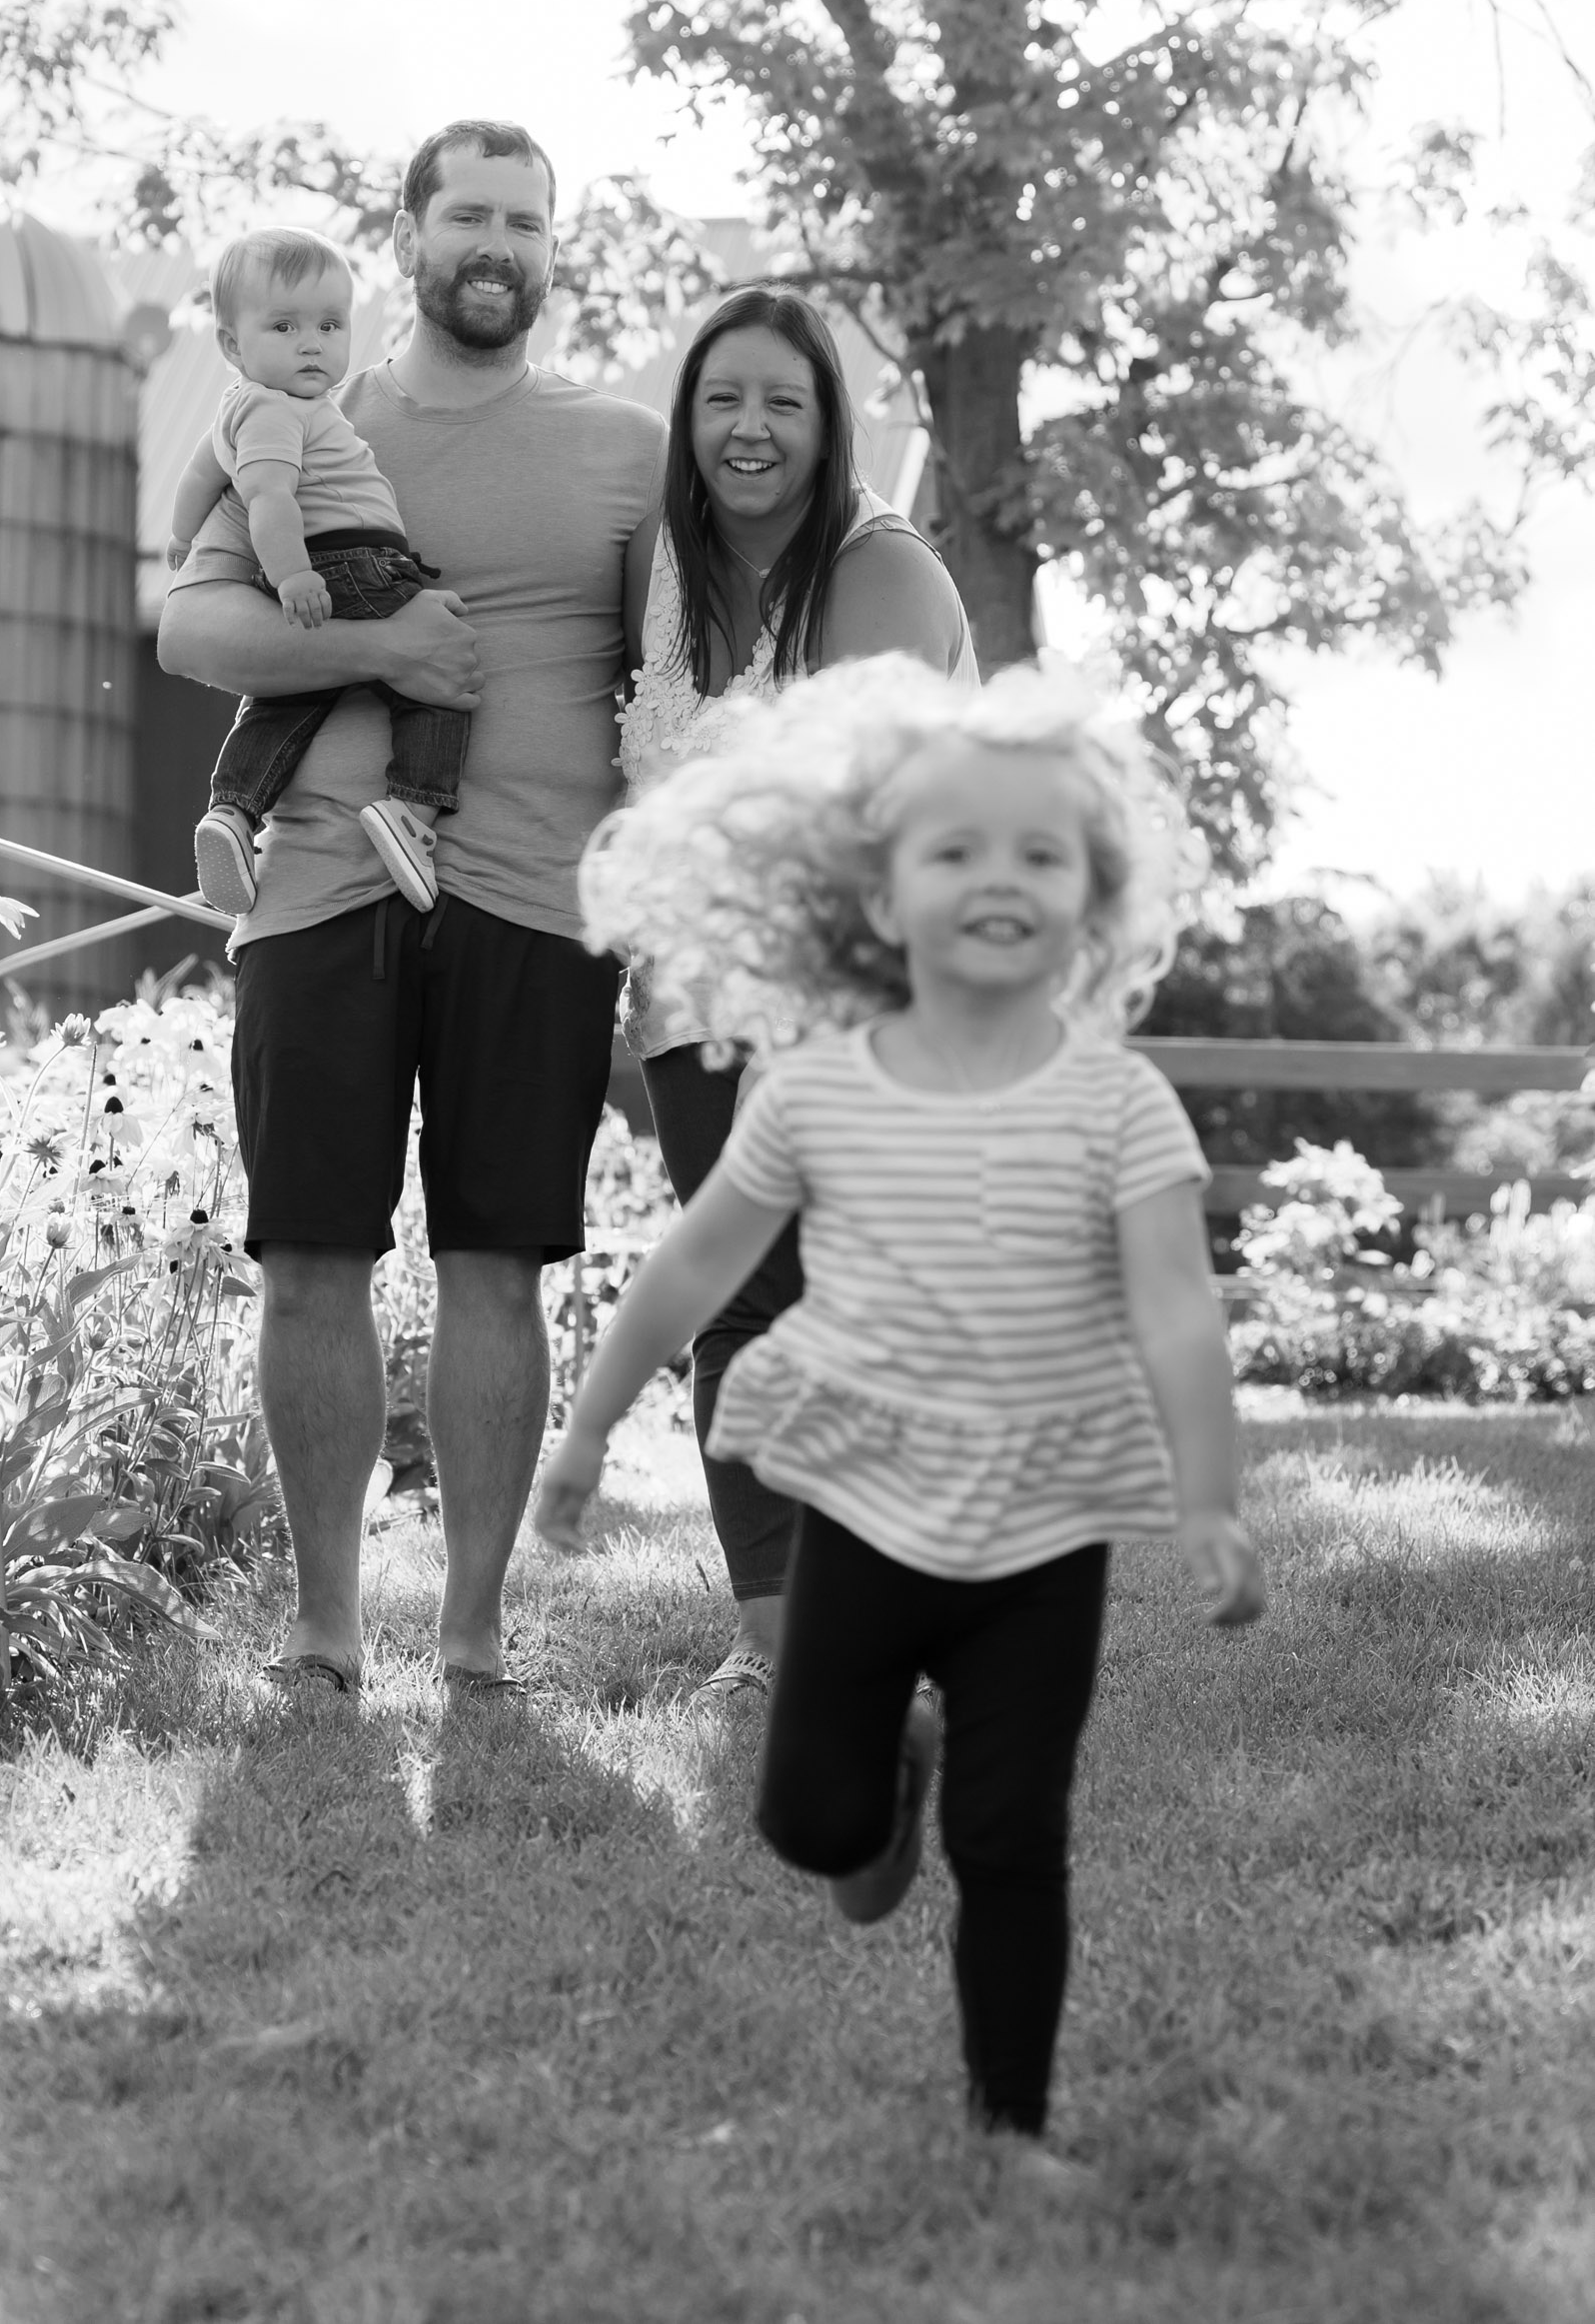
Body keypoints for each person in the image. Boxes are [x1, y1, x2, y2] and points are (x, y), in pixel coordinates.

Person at [535, 654, 1265, 2148]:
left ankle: (1009, 2130)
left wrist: (1205, 1499)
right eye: (955, 850)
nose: (999, 878)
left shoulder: (1114, 1100)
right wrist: (590, 1426)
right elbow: (693, 1267)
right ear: (879, 898)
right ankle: (890, 1765)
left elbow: (1175, 1309)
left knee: (1012, 1840)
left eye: (1039, 853)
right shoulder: (816, 1089)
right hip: (860, 1526)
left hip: (1041, 1541)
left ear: (1091, 894)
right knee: (812, 1822)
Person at [157, 120, 668, 1695]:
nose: (497, 245)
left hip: (533, 901)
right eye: (469, 217)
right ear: (411, 233)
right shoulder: (296, 403)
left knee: (495, 1263)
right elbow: (190, 624)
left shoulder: (623, 448)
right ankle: (323, 1626)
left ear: (550, 245)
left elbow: (688, 667)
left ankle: (469, 1625)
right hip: (317, 892)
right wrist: (382, 656)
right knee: (310, 1254)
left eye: (526, 218)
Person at [620, 285, 976, 1702]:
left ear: (827, 426)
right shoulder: (661, 575)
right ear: (687, 423)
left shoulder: (878, 575)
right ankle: (772, 1640)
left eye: (781, 400)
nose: (748, 428)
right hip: (690, 1005)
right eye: (722, 400)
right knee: (742, 1308)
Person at [170, 228, 468, 920]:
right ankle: (412, 812)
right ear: (232, 346)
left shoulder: (236, 411)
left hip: (325, 565)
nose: (312, 342)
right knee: (440, 676)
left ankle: (234, 813)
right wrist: (294, 573)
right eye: (285, 326)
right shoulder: (278, 410)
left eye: (329, 325)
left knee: (287, 699)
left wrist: (183, 537)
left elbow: (197, 476)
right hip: (356, 560)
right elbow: (271, 497)